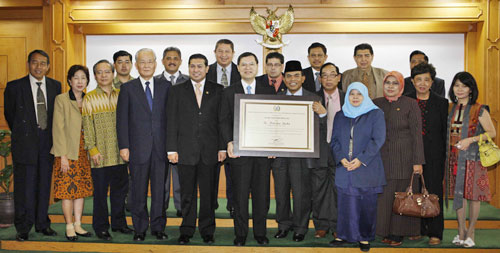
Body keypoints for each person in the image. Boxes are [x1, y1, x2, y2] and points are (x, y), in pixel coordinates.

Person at [167, 53, 225, 245]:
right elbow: (171, 122)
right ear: (188, 68)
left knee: (209, 195)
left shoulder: (218, 90)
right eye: (192, 66)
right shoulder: (176, 91)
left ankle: (207, 230)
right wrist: (171, 149)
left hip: (210, 152)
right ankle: (186, 230)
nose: (196, 70)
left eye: (200, 66)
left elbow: (222, 121)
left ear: (207, 68)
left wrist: (223, 147)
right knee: (187, 194)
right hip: (185, 151)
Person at [4, 49, 62, 241]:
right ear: (28, 64)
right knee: (24, 187)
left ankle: (42, 223)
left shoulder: (55, 85)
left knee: (44, 185)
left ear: (48, 66)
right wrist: (27, 133)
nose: (39, 67)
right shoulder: (14, 87)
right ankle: (23, 226)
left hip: (47, 142)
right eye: (35, 63)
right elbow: (10, 116)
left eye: (43, 63)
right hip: (25, 143)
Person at [220, 52, 275, 246]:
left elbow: (273, 120)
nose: (247, 68)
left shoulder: (268, 90)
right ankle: (241, 234)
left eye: (251, 64)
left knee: (261, 195)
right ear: (238, 67)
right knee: (240, 196)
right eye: (243, 64)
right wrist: (228, 141)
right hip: (239, 153)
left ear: (258, 66)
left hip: (262, 154)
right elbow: (224, 120)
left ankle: (260, 233)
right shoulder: (229, 91)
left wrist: (273, 143)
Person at [116, 48, 171, 241]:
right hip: (137, 149)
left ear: (156, 64)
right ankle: (139, 228)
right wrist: (124, 146)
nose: (146, 65)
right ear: (136, 65)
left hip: (160, 149)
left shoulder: (166, 86)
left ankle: (158, 227)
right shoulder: (128, 88)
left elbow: (170, 119)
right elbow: (121, 119)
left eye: (150, 61)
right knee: (138, 191)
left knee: (159, 192)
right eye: (142, 62)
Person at [272, 60, 328, 242]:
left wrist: (323, 114)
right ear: (284, 78)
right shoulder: (276, 98)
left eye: (297, 75)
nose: (293, 79)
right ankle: (283, 225)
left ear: (303, 78)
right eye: (288, 76)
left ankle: (300, 228)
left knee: (301, 193)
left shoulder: (314, 99)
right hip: (280, 155)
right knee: (280, 192)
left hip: (302, 157)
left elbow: (322, 128)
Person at [330, 82, 386, 252]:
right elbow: (334, 141)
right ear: (347, 96)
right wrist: (341, 158)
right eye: (352, 94)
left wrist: (360, 160)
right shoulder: (341, 115)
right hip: (345, 167)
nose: (355, 97)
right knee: (345, 203)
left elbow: (378, 140)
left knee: (366, 204)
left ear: (365, 96)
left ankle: (364, 237)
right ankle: (344, 234)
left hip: (366, 167)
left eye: (359, 94)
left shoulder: (375, 114)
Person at [373, 71, 425, 246]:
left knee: (401, 196)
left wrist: (418, 161)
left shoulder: (410, 104)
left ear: (401, 86)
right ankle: (383, 230)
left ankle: (398, 232)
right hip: (380, 158)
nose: (390, 86)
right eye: (388, 82)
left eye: (395, 83)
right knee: (384, 196)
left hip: (404, 157)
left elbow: (417, 135)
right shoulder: (375, 103)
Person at [82, 60, 132, 241]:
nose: (103, 75)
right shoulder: (89, 98)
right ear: (95, 76)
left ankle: (119, 224)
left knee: (120, 193)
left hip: (120, 154)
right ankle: (101, 227)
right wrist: (92, 150)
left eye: (107, 72)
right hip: (100, 156)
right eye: (99, 72)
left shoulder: (123, 95)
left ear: (113, 74)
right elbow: (87, 126)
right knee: (101, 195)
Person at [446, 72, 496, 248]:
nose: (460, 89)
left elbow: (492, 133)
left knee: (474, 197)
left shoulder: (479, 109)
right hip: (455, 159)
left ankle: (471, 231)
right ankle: (460, 231)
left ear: (470, 89)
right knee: (459, 196)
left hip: (474, 159)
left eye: (464, 86)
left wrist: (471, 140)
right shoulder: (451, 108)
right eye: (457, 85)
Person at [406, 63, 448, 245]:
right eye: (418, 80)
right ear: (412, 82)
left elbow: (444, 132)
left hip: (434, 155)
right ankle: (417, 229)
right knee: (414, 191)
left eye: (426, 79)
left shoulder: (442, 102)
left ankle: (435, 231)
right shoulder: (406, 100)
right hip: (410, 154)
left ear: (432, 82)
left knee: (433, 191)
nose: (422, 83)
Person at [51, 65, 93, 241]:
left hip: (84, 153)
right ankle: (68, 225)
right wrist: (63, 156)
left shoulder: (90, 99)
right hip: (67, 152)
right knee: (67, 191)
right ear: (69, 80)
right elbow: (58, 128)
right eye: (76, 78)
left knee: (81, 191)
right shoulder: (61, 99)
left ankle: (78, 224)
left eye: (83, 78)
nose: (80, 81)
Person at [206, 39, 240, 216]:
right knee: (211, 171)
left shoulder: (240, 71)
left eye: (227, 51)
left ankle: (233, 204)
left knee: (233, 172)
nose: (224, 55)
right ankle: (211, 204)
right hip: (210, 130)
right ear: (215, 52)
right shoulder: (206, 71)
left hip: (233, 129)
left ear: (233, 53)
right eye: (220, 51)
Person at [156, 46, 189, 217]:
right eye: (168, 58)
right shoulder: (155, 81)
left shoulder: (189, 80)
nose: (172, 61)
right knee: (161, 176)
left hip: (182, 136)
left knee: (180, 176)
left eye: (175, 58)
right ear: (163, 61)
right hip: (160, 135)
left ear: (180, 61)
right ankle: (160, 206)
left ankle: (180, 207)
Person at [313, 62, 344, 239]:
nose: (328, 78)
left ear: (339, 78)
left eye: (332, 74)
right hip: (319, 151)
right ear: (319, 78)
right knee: (319, 189)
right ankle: (321, 224)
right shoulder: (312, 98)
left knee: (338, 189)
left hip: (341, 152)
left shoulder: (348, 97)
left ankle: (338, 225)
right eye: (324, 75)